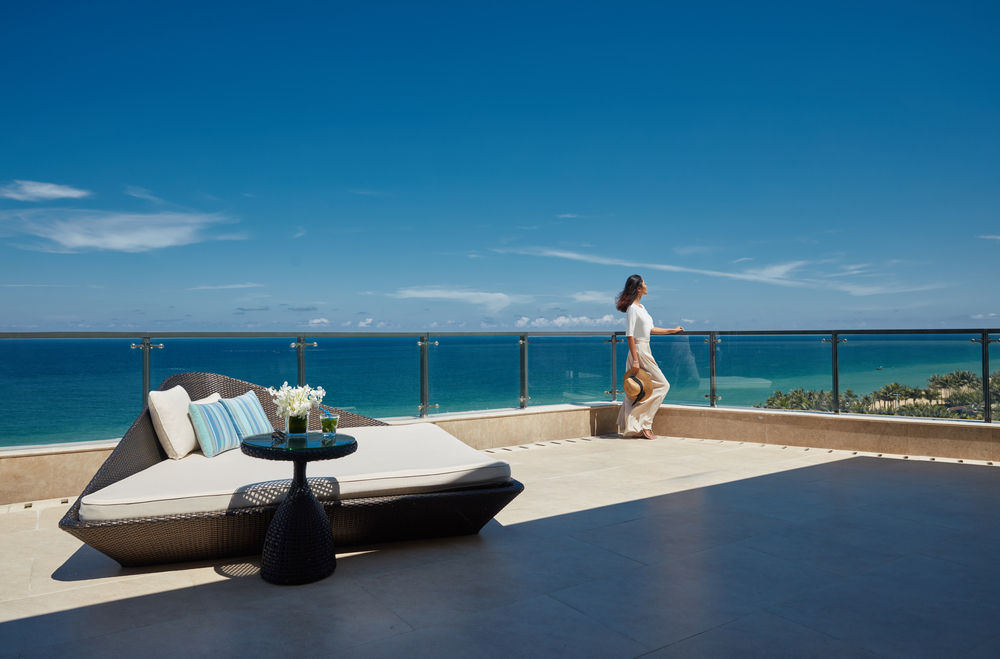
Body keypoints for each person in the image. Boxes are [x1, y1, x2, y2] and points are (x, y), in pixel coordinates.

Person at [615, 275, 684, 439]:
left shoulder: (642, 308)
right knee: (663, 385)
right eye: (644, 284)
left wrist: (672, 330)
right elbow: (630, 335)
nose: (647, 286)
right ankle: (644, 425)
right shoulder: (632, 308)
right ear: (638, 288)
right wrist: (635, 359)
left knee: (641, 390)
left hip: (645, 348)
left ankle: (636, 426)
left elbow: (650, 329)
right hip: (639, 350)